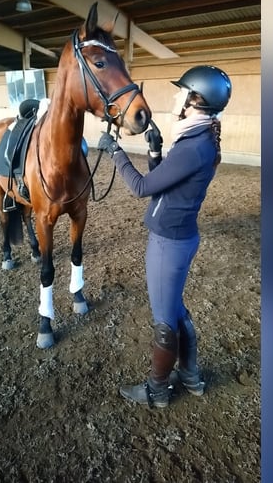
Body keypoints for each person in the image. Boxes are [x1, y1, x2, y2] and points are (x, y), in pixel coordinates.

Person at [97, 65, 232, 408]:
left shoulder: (192, 147)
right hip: (179, 237)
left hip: (168, 243)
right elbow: (164, 187)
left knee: (164, 321)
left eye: (180, 91)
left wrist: (116, 152)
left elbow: (142, 188)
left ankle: (157, 389)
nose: (175, 96)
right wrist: (155, 152)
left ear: (193, 99)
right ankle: (191, 375)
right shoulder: (196, 138)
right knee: (176, 310)